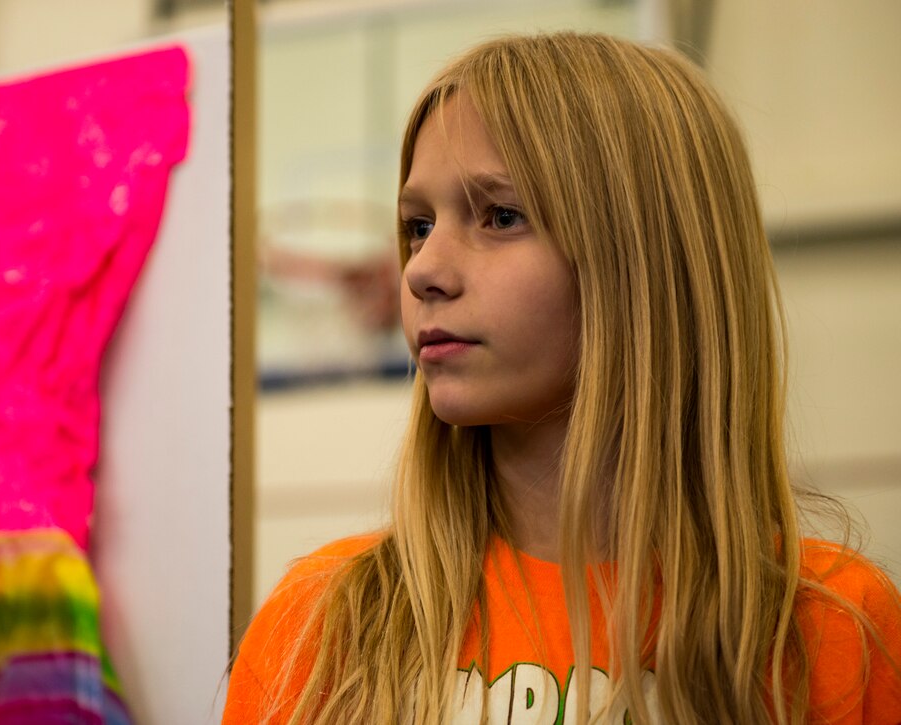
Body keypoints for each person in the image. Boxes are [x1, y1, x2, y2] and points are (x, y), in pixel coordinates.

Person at [223, 32, 901, 724]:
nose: (422, 268)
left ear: (648, 260)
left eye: (502, 215)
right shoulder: (318, 626)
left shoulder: (835, 631)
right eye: (418, 224)